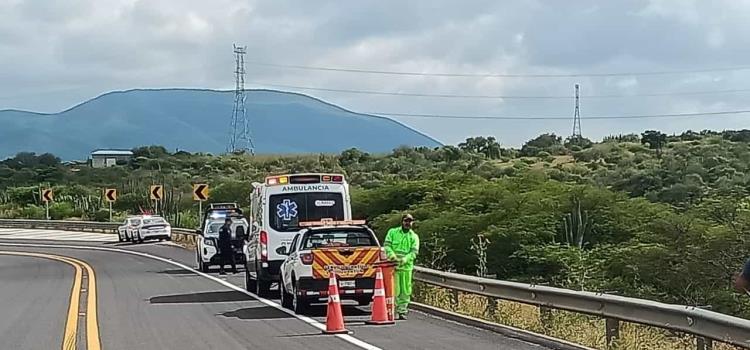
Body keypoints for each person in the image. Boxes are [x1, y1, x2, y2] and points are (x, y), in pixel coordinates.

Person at [384, 213, 420, 320]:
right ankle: (392, 310)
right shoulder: (393, 232)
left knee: (405, 290)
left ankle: (402, 311)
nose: (408, 223)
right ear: (402, 221)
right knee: (394, 290)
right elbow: (387, 246)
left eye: (410, 221)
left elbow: (414, 252)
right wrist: (392, 256)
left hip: (406, 267)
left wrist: (405, 259)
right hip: (393, 266)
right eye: (406, 221)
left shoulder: (414, 237)